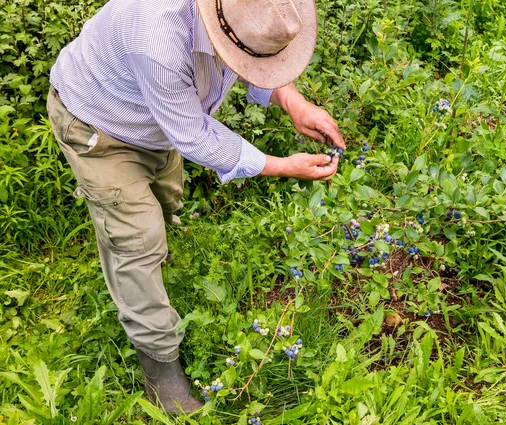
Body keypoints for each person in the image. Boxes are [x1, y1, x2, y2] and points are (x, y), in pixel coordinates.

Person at [46, 0, 344, 414]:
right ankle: (160, 371)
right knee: (139, 239)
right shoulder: (157, 36)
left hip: (156, 125)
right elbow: (194, 136)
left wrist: (294, 103)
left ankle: (155, 262)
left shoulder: (233, 12)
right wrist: (281, 166)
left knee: (166, 202)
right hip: (99, 122)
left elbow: (246, 55)